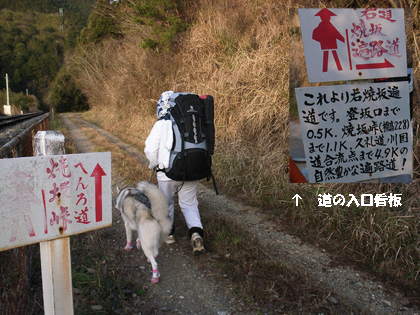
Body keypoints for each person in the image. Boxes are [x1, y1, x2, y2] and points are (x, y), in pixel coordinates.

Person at [144, 91, 205, 256]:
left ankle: (169, 234)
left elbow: (151, 150)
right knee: (190, 204)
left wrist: (153, 164)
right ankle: (195, 232)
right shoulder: (193, 120)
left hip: (167, 173)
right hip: (192, 169)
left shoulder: (161, 123)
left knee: (167, 203)